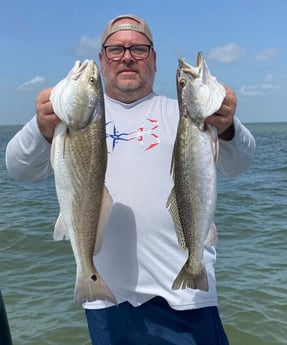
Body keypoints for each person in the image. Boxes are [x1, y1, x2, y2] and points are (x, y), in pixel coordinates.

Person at [5, 14, 256, 345]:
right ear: (101, 59)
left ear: (153, 59)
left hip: (185, 299)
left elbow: (240, 162)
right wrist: (41, 128)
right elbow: (19, 167)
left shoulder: (183, 114)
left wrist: (227, 127)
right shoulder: (69, 124)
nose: (126, 57)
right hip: (106, 299)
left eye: (138, 49)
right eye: (115, 49)